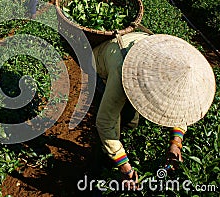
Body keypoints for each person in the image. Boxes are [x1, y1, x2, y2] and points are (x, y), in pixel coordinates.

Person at [92, 32, 215, 189]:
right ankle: (99, 168)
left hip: (132, 53)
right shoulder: (120, 72)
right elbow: (104, 122)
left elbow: (180, 107)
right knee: (110, 124)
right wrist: (124, 166)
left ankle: (117, 147)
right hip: (100, 67)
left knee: (130, 121)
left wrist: (176, 142)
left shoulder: (178, 60)